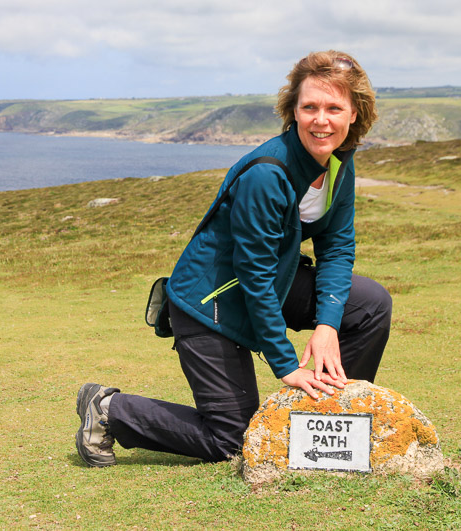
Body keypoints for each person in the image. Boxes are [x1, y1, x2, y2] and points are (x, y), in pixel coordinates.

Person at [75, 50, 392, 467]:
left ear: (354, 114)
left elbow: (336, 245)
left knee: (369, 305)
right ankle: (110, 410)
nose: (321, 119)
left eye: (334, 108)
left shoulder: (338, 162)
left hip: (270, 282)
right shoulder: (267, 173)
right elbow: (254, 274)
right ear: (293, 110)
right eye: (309, 107)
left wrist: (328, 324)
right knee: (232, 439)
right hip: (211, 302)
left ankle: (327, 422)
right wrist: (287, 365)